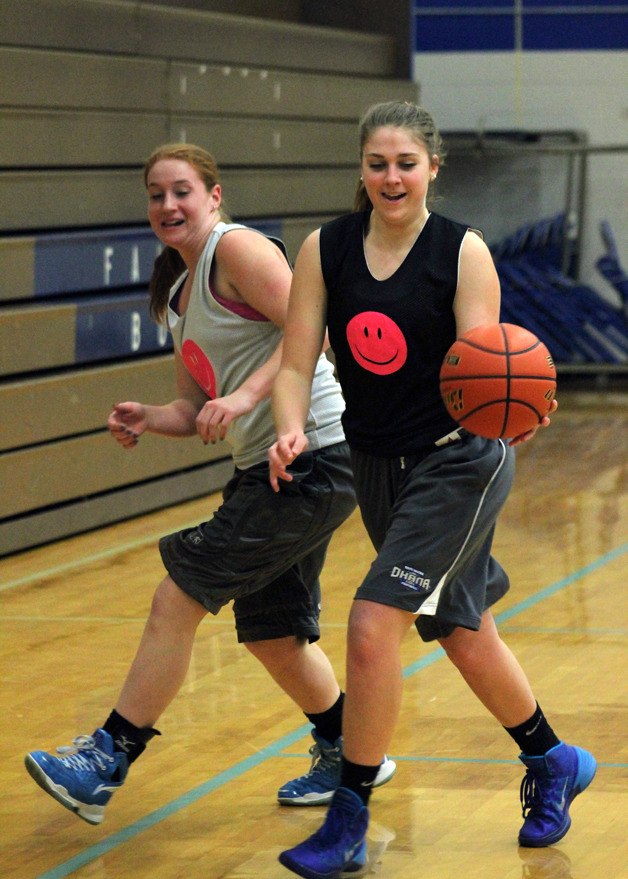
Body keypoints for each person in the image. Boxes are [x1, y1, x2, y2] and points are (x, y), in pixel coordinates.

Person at [268, 102, 596, 878]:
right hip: (375, 462)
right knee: (460, 627)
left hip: (457, 462)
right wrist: (289, 429)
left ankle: (349, 816)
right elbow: (295, 363)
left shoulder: (462, 251)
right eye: (377, 163)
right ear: (361, 169)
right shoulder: (326, 248)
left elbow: (485, 364)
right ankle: (553, 758)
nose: (391, 177)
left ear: (432, 169)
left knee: (371, 622)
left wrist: (515, 407)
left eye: (406, 164)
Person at [24, 143, 395, 826]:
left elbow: (312, 334)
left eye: (182, 191)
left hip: (314, 453)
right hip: (270, 466)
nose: (168, 205)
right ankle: (347, 748)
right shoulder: (176, 294)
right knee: (272, 631)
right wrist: (150, 417)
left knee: (177, 596)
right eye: (156, 195)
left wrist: (248, 397)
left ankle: (106, 760)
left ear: (214, 196)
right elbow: (196, 408)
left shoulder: (238, 250)